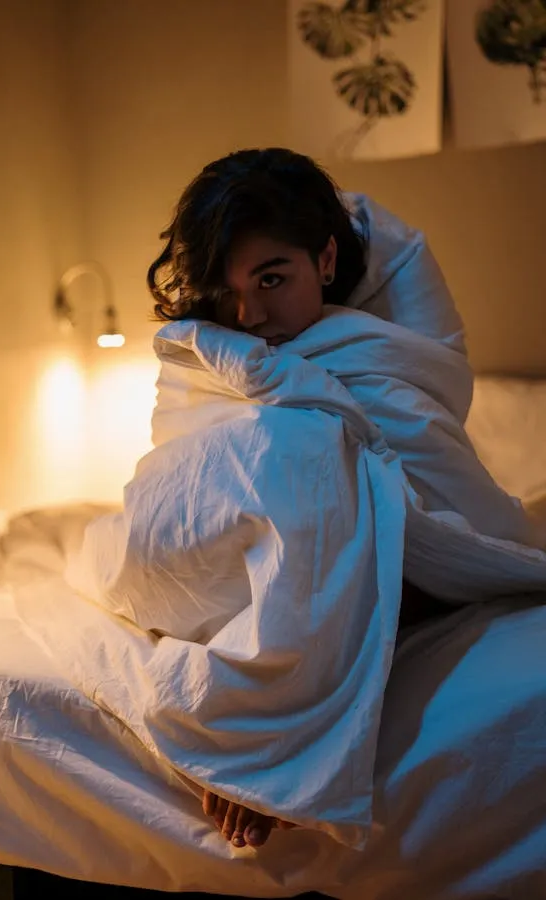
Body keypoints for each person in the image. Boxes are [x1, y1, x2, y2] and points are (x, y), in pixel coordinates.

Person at [147, 146, 453, 851]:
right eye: (227, 293)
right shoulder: (211, 359)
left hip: (347, 507)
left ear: (325, 261)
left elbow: (429, 451)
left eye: (272, 277)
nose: (249, 316)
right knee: (287, 457)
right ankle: (265, 731)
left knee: (317, 463)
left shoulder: (384, 358)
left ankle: (271, 741)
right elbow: (184, 470)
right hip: (240, 530)